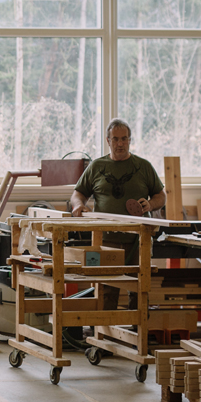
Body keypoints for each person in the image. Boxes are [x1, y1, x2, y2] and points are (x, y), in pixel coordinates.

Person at [70, 118, 166, 308]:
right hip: (106, 240)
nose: (120, 143)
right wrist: (78, 205)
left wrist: (150, 204)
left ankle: (138, 326)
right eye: (115, 139)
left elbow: (161, 196)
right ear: (108, 140)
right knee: (106, 290)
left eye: (124, 139)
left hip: (139, 240)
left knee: (139, 290)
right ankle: (106, 326)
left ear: (130, 140)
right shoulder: (97, 167)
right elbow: (78, 194)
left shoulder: (143, 166)